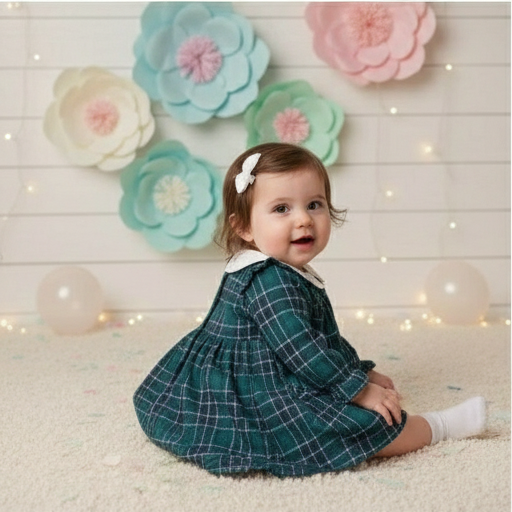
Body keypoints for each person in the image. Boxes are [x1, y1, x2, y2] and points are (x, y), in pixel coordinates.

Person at [133, 142, 486, 477]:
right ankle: (438, 426)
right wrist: (358, 390)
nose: (303, 219)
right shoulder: (269, 281)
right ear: (244, 227)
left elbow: (321, 338)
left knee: (340, 399)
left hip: (268, 365)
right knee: (347, 427)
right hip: (246, 387)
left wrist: (357, 371)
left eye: (314, 204)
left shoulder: (284, 270)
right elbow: (304, 350)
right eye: (281, 209)